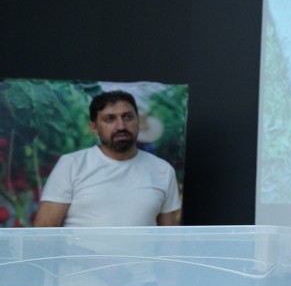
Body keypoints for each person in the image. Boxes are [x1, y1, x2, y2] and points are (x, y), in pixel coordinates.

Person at [33, 90, 181, 227]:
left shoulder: (162, 169)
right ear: (94, 128)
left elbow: (170, 238)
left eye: (128, 117)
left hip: (141, 256)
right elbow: (45, 226)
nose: (121, 126)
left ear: (137, 122)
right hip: (81, 255)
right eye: (110, 119)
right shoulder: (72, 164)